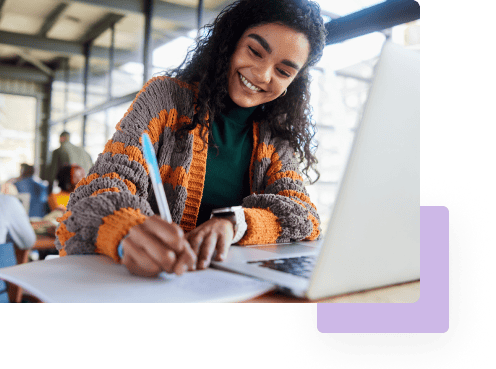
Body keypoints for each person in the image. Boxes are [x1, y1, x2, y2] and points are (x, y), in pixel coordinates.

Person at [56, 0, 325, 277]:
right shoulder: (164, 99)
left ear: (292, 83)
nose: (262, 74)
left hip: (227, 289)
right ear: (231, 43)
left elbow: (304, 216)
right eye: (255, 51)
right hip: (145, 284)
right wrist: (124, 229)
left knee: (307, 318)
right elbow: (97, 192)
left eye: (283, 71)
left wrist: (236, 223)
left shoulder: (275, 137)